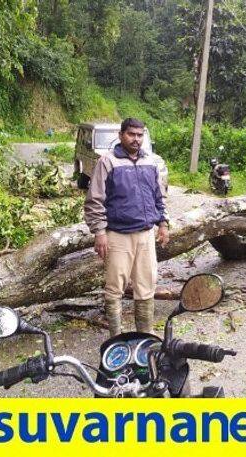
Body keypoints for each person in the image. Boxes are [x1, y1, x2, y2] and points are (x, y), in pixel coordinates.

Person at [84, 118, 169, 336]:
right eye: (131, 134)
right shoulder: (107, 162)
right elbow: (94, 200)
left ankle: (146, 338)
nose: (136, 139)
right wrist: (99, 232)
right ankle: (116, 339)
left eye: (140, 135)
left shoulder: (150, 162)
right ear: (121, 135)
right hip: (117, 235)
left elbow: (158, 196)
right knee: (114, 288)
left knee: (146, 285)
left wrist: (163, 223)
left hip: (145, 234)